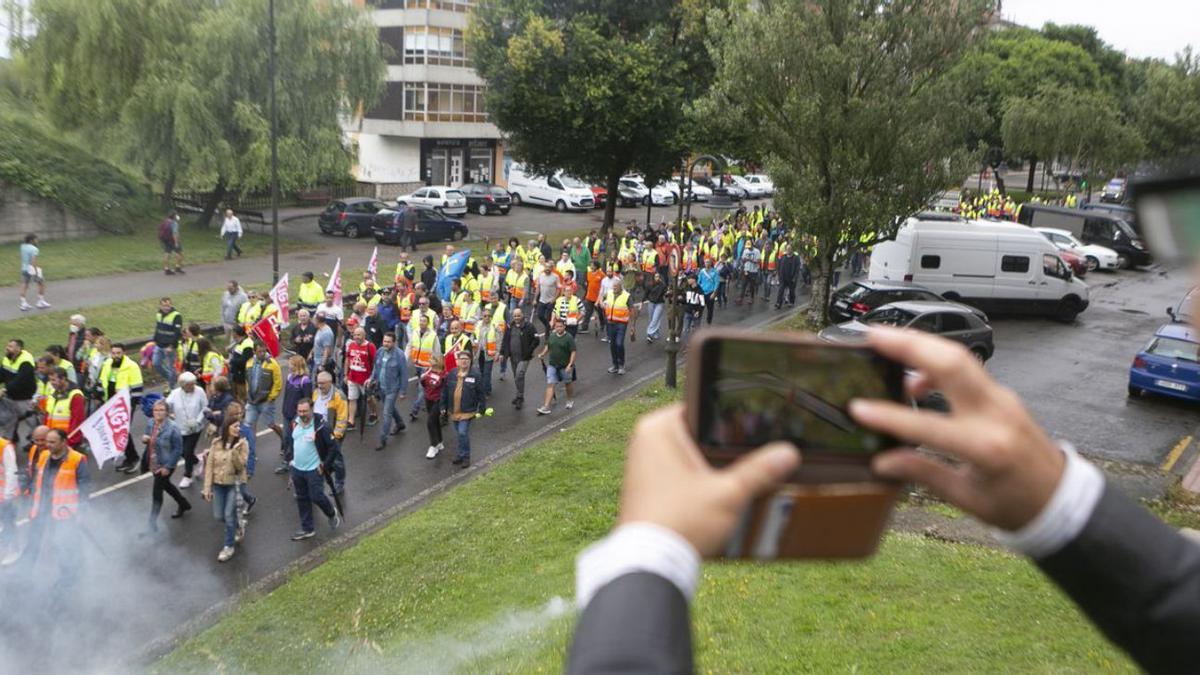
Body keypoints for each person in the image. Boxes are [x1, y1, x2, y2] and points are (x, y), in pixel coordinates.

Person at [21, 429, 88, 577]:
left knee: (64, 545)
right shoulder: (44, 456)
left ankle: (69, 575)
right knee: (33, 542)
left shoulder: (77, 459)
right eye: (47, 441)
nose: (48, 445)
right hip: (41, 510)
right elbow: (36, 481)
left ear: (63, 442)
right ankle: (23, 573)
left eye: (52, 442)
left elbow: (84, 489)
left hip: (63, 513)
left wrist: (81, 513)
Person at [285, 399, 342, 541]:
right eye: (299, 411)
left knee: (316, 496)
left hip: (314, 469)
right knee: (302, 498)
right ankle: (307, 529)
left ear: (311, 409)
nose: (302, 414)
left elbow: (333, 447)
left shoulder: (321, 426)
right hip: (297, 469)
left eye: (305, 411)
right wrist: (291, 461)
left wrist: (325, 465)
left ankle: (331, 512)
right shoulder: (294, 422)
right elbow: (290, 443)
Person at [202, 417, 249, 562]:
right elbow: (209, 466)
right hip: (218, 484)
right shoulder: (216, 443)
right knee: (219, 516)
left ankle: (228, 546)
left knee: (228, 515)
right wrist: (207, 488)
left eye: (239, 426)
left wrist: (234, 452)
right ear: (227, 427)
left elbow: (241, 466)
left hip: (234, 484)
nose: (238, 429)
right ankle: (238, 525)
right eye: (235, 426)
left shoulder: (242, 444)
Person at [142, 399, 191, 531]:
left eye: (161, 410)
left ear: (167, 412)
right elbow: (147, 437)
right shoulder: (151, 423)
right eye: (155, 410)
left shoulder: (173, 428)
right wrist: (145, 439)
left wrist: (168, 467)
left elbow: (178, 450)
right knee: (167, 486)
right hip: (153, 461)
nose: (158, 413)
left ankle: (151, 523)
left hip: (165, 464)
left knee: (157, 492)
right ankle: (184, 503)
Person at [98, 343, 144, 473]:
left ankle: (133, 458)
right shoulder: (107, 364)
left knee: (123, 431)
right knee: (114, 430)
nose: (116, 356)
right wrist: (99, 394)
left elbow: (137, 388)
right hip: (110, 403)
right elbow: (102, 381)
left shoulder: (131, 367)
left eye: (118, 353)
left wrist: (131, 404)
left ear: (123, 353)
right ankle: (125, 456)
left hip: (125, 405)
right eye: (113, 353)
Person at [441, 350, 486, 470]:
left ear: (470, 361)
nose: (464, 361)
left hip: (467, 411)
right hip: (453, 411)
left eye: (467, 359)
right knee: (459, 433)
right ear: (458, 361)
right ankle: (461, 454)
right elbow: (445, 392)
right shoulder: (452, 373)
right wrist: (443, 407)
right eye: (462, 359)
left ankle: (465, 456)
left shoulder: (475, 375)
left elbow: (481, 392)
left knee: (462, 432)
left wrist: (482, 407)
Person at [166, 372, 208, 488]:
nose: (192, 387)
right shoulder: (175, 393)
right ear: (182, 385)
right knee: (182, 452)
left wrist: (198, 420)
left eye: (193, 384)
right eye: (189, 385)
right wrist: (168, 413)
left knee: (188, 451)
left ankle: (187, 475)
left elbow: (205, 407)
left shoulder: (199, 391)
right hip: (180, 427)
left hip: (195, 428)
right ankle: (197, 461)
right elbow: (166, 405)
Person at [310, 371, 348, 491]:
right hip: (318, 432)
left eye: (322, 383)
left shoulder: (339, 396)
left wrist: (336, 436)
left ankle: (339, 482)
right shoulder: (316, 393)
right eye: (318, 383)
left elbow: (342, 418)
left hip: (332, 434)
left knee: (336, 459)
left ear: (330, 383)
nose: (320, 386)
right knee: (319, 458)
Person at [369, 333, 407, 452]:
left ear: (394, 343)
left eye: (388, 342)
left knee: (386, 414)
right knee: (389, 408)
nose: (386, 344)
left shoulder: (399, 355)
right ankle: (400, 423)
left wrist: (402, 391)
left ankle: (382, 439)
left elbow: (404, 374)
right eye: (384, 341)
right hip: (381, 387)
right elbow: (376, 367)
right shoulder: (380, 351)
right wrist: (371, 379)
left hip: (392, 389)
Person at [536, 318, 577, 415]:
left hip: (564, 366)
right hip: (552, 365)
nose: (558, 328)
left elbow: (573, 352)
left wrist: (570, 365)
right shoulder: (552, 336)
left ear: (564, 327)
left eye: (560, 326)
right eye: (556, 326)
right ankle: (546, 406)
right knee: (550, 384)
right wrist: (542, 354)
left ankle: (570, 399)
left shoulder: (569, 338)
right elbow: (548, 346)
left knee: (567, 383)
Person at [500, 307, 538, 410]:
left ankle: (520, 397)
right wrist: (502, 353)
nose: (517, 317)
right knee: (516, 377)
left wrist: (529, 351)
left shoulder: (529, 326)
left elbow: (536, 339)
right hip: (513, 357)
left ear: (522, 315)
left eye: (518, 315)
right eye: (515, 316)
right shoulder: (509, 326)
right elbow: (505, 340)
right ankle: (518, 395)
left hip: (524, 358)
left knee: (519, 376)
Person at [245, 343, 282, 443]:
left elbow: (278, 383)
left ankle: (285, 441)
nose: (262, 353)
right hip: (252, 401)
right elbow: (247, 380)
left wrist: (270, 398)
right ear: (254, 352)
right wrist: (248, 394)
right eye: (259, 351)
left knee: (271, 424)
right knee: (249, 425)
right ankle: (251, 452)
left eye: (264, 351)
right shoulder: (249, 363)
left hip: (266, 401)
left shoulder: (273, 364)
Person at [600, 277, 636, 375]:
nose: (614, 288)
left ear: (621, 287)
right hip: (610, 322)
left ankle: (621, 365)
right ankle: (615, 365)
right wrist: (601, 303)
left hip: (621, 323)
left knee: (619, 343)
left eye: (616, 287)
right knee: (612, 344)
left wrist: (633, 326)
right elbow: (601, 298)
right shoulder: (610, 293)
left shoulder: (626, 296)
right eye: (613, 286)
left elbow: (632, 310)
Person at [42, 367, 84, 448]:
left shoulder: (76, 396)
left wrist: (70, 443)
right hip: (52, 441)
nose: (51, 383)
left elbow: (77, 422)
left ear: (63, 379)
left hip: (66, 442)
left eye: (54, 380)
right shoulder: (53, 393)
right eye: (50, 380)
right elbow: (47, 415)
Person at [344, 326, 378, 428]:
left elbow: (376, 363)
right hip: (352, 378)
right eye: (355, 335)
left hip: (366, 379)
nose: (356, 337)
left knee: (369, 399)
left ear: (364, 335)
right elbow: (347, 359)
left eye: (359, 335)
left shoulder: (370, 346)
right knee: (352, 399)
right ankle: (351, 420)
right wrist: (346, 374)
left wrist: (372, 378)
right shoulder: (351, 345)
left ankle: (374, 414)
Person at [151, 297, 183, 389]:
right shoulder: (159, 314)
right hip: (159, 344)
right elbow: (158, 328)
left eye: (168, 305)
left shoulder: (176, 316)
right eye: (164, 305)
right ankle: (170, 378)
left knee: (171, 367)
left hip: (170, 347)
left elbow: (177, 332)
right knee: (156, 363)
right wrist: (155, 340)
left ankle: (172, 386)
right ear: (160, 306)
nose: (166, 307)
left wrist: (171, 346)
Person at [419, 360, 447, 459]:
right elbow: (424, 384)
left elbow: (444, 390)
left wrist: (444, 406)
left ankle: (433, 445)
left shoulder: (444, 376)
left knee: (430, 422)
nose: (434, 369)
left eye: (436, 367)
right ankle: (439, 442)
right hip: (428, 400)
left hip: (438, 401)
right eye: (433, 366)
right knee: (435, 421)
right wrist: (423, 378)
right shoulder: (428, 373)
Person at [475, 305, 503, 397]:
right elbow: (474, 336)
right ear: (482, 316)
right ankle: (487, 388)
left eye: (489, 316)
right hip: (480, 353)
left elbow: (499, 340)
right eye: (485, 316)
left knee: (487, 373)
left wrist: (498, 353)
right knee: (481, 372)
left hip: (490, 354)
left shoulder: (495, 326)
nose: (487, 317)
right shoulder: (478, 324)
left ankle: (485, 392)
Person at [18, 233, 50, 311]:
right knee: (41, 283)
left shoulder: (22, 246)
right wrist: (36, 271)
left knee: (24, 285)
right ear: (32, 240)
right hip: (32, 268)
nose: (37, 241)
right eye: (36, 239)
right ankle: (40, 302)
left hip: (24, 268)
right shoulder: (34, 249)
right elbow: (33, 261)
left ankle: (23, 303)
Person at [0, 433, 16, 564]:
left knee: (6, 525)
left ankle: (10, 551)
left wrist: (7, 495)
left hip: (3, 496)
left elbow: (11, 471)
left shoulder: (3, 446)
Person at [228, 326, 254, 402]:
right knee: (238, 397)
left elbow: (245, 361)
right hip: (236, 375)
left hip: (242, 376)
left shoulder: (248, 344)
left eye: (232, 332)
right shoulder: (239, 342)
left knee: (243, 398)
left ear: (236, 333)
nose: (231, 334)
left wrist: (231, 361)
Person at [642, 272, 667, 343]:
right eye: (656, 277)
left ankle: (649, 334)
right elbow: (646, 293)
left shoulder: (663, 285)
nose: (657, 278)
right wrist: (642, 301)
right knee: (651, 319)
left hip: (660, 303)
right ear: (653, 277)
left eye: (658, 276)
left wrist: (668, 293)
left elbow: (666, 293)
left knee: (656, 318)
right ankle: (656, 333)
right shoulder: (649, 285)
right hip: (651, 303)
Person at [535, 263, 560, 335]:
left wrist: (554, 299)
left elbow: (558, 289)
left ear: (552, 269)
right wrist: (535, 299)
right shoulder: (540, 276)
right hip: (542, 300)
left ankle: (547, 337)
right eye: (546, 268)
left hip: (551, 301)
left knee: (548, 317)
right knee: (540, 315)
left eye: (549, 268)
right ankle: (548, 326)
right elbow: (538, 288)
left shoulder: (555, 277)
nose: (547, 269)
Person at [681, 274, 706, 341]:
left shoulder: (700, 291)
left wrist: (698, 311)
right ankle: (687, 346)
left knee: (695, 331)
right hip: (687, 312)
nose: (688, 280)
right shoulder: (687, 288)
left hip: (696, 313)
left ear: (694, 280)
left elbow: (702, 303)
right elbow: (685, 300)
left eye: (689, 279)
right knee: (685, 330)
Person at [775, 244, 799, 309]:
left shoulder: (796, 258)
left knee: (791, 291)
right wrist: (778, 275)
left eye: (789, 249)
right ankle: (778, 303)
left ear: (792, 250)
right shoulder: (783, 257)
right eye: (787, 249)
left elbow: (797, 269)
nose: (788, 250)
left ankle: (791, 302)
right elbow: (779, 266)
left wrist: (795, 278)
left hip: (791, 278)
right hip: (783, 277)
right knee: (781, 290)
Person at [698, 258, 720, 325]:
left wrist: (714, 293)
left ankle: (709, 322)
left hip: (710, 293)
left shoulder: (715, 272)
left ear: (711, 263)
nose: (707, 263)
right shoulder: (702, 271)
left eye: (708, 262)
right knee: (700, 308)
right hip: (702, 293)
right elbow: (699, 281)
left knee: (710, 309)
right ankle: (697, 321)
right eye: (706, 262)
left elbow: (717, 283)